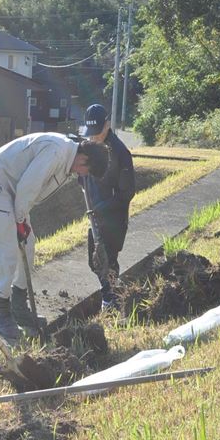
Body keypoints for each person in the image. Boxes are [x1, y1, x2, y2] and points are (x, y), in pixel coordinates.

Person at [0, 133, 109, 342]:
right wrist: (19, 220)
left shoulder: (67, 159)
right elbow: (28, 187)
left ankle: (19, 307)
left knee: (28, 245)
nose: (83, 175)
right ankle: (2, 315)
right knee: (7, 247)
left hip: (15, 190)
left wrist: (21, 219)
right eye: (87, 172)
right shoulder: (57, 153)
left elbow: (27, 190)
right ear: (84, 159)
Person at [81, 103, 135, 310]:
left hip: (113, 217)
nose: (94, 137)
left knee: (108, 260)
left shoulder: (120, 152)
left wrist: (102, 208)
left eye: (97, 132)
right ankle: (111, 296)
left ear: (107, 125)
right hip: (95, 214)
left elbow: (127, 192)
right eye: (90, 133)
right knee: (94, 261)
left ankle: (112, 300)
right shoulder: (90, 147)